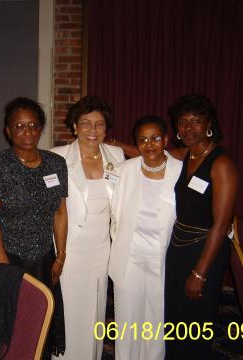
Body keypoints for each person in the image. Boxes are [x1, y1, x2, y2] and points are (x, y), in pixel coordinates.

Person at [0, 97, 68, 358]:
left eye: (32, 125)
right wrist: (5, 270)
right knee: (11, 328)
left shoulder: (55, 163)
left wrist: (60, 256)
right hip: (8, 256)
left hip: (44, 258)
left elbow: (60, 212)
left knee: (40, 323)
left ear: (41, 127)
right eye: (19, 126)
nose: (27, 131)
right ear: (8, 131)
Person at [50, 96, 124, 360]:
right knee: (69, 310)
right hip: (70, 246)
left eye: (99, 125)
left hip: (101, 247)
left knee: (95, 311)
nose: (93, 131)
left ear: (106, 128)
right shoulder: (57, 157)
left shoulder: (116, 155)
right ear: (74, 127)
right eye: (86, 124)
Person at [164, 94, 238, 359]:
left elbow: (221, 225)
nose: (187, 128)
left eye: (195, 121)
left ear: (209, 123)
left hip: (206, 251)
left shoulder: (222, 164)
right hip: (179, 248)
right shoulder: (186, 155)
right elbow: (150, 154)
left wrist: (200, 273)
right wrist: (111, 145)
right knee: (174, 317)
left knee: (195, 320)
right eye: (182, 123)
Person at [108, 115, 182, 360]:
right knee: (127, 316)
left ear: (166, 140)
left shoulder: (180, 171)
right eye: (143, 140)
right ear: (136, 143)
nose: (149, 145)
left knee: (156, 315)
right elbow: (108, 203)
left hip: (164, 256)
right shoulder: (125, 170)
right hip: (130, 253)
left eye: (156, 138)